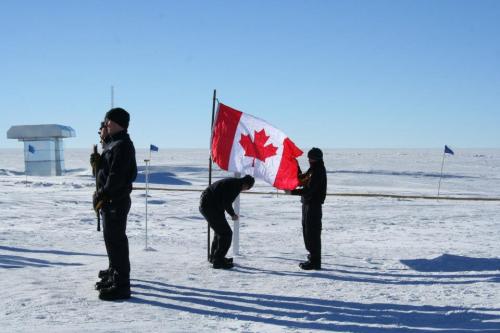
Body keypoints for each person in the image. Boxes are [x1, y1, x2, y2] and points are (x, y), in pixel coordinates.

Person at [93, 107, 137, 300]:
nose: (105, 125)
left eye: (108, 122)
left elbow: (116, 176)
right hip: (109, 201)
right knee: (111, 241)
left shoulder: (123, 145)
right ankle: (114, 275)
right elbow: (106, 172)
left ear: (118, 124)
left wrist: (102, 194)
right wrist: (98, 163)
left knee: (117, 242)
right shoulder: (114, 144)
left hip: (115, 201)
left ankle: (122, 286)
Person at [199, 175, 255, 269]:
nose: (244, 190)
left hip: (210, 206)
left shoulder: (234, 182)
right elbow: (226, 202)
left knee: (220, 232)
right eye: (247, 188)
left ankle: (215, 257)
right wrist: (232, 214)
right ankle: (218, 261)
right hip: (210, 207)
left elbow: (223, 199)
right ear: (246, 185)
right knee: (226, 233)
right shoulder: (236, 186)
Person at [290, 147, 327, 270]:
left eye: (311, 158)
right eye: (309, 158)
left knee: (313, 233)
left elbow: (309, 189)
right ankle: (312, 257)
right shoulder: (313, 169)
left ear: (316, 158)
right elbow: (302, 179)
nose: (309, 160)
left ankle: (315, 262)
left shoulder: (318, 171)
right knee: (307, 231)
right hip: (307, 204)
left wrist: (292, 193)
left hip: (314, 205)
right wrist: (294, 164)